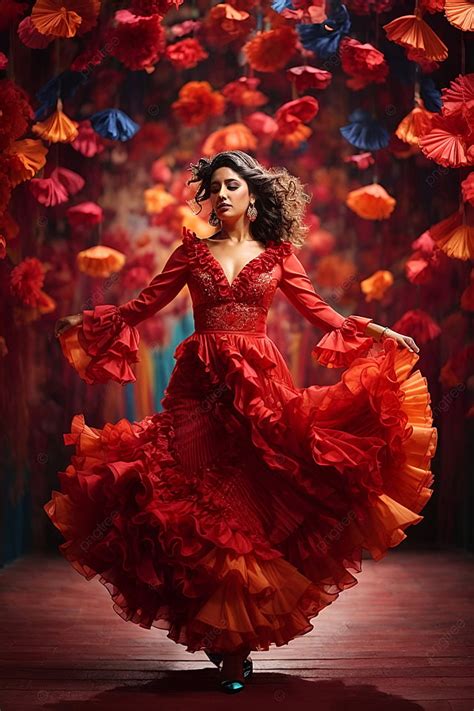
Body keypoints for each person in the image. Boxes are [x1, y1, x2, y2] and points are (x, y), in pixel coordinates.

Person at [47, 150, 436, 694]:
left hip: (258, 385)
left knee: (252, 498)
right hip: (199, 385)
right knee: (195, 496)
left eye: (232, 185)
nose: (221, 195)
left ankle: (235, 646)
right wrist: (87, 321)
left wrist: (378, 334)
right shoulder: (190, 252)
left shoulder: (278, 254)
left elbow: (320, 311)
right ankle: (219, 628)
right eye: (213, 188)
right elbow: (144, 304)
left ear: (253, 196)